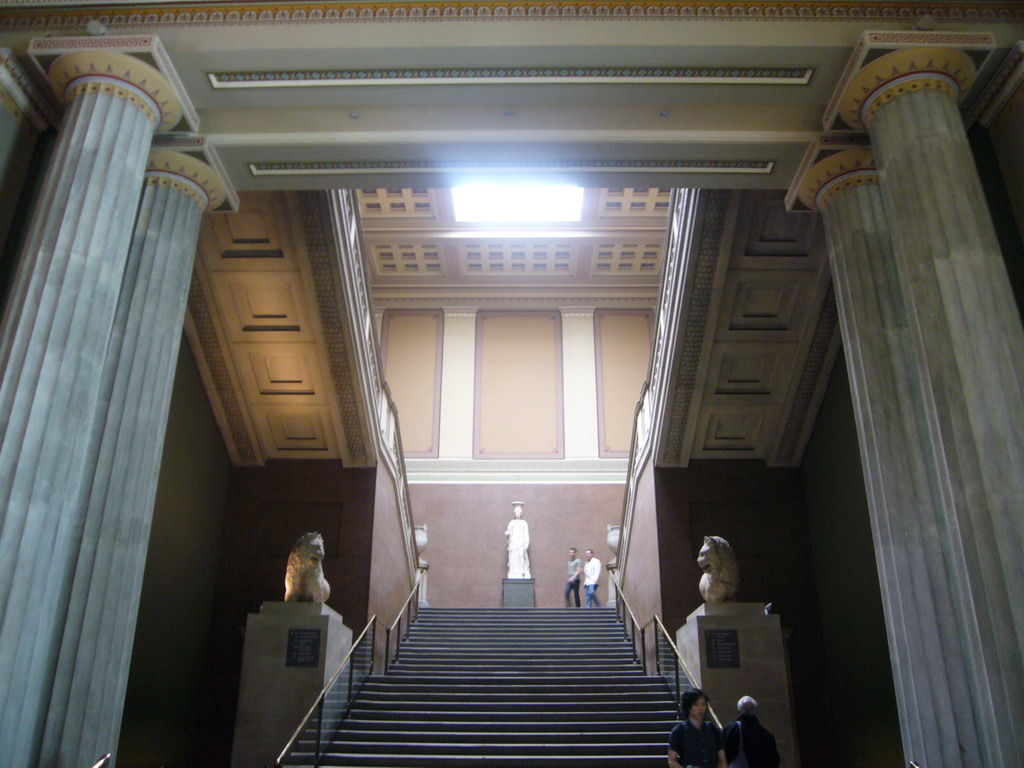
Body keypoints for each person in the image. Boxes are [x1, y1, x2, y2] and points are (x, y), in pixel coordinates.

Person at [668, 688, 726, 768]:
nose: (701, 708)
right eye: (696, 705)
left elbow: (722, 759)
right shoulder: (679, 731)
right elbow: (672, 760)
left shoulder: (713, 730)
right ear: (688, 707)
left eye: (703, 704)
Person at [722, 696, 780, 768]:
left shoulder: (731, 729)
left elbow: (723, 754)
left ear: (739, 711)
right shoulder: (766, 734)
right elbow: (774, 761)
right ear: (756, 711)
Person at [504, 501, 530, 579]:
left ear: (521, 513)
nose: (518, 514)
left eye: (519, 512)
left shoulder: (524, 523)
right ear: (515, 513)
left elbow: (526, 534)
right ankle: (513, 572)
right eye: (516, 512)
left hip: (521, 543)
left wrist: (526, 543)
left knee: (521, 556)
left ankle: (522, 571)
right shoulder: (511, 523)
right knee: (514, 557)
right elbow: (508, 533)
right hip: (513, 543)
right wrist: (507, 535)